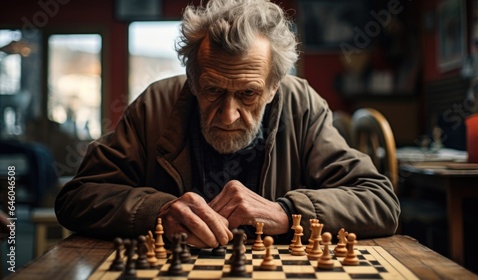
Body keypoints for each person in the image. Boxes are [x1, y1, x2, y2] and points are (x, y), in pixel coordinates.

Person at [55, 0, 400, 248]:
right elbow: (76, 198)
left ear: (274, 86)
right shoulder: (155, 105)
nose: (228, 115)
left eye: (248, 93)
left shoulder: (301, 103)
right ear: (192, 79)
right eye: (213, 90)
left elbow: (380, 201)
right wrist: (157, 212)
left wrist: (287, 212)